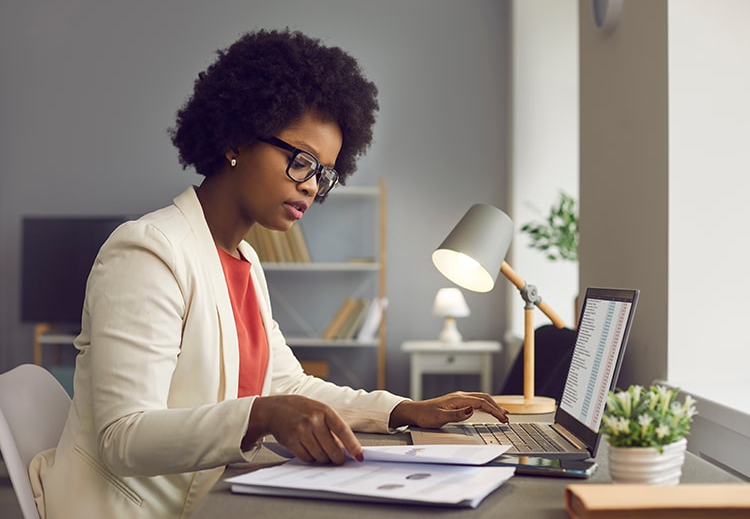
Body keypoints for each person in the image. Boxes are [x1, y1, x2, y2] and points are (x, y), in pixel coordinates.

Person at [29, 29, 508, 519]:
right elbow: (123, 437)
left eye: (322, 174)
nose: (309, 188)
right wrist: (260, 415)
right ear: (237, 137)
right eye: (300, 161)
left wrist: (402, 409)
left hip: (209, 499)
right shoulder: (148, 251)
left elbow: (291, 387)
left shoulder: (245, 261)